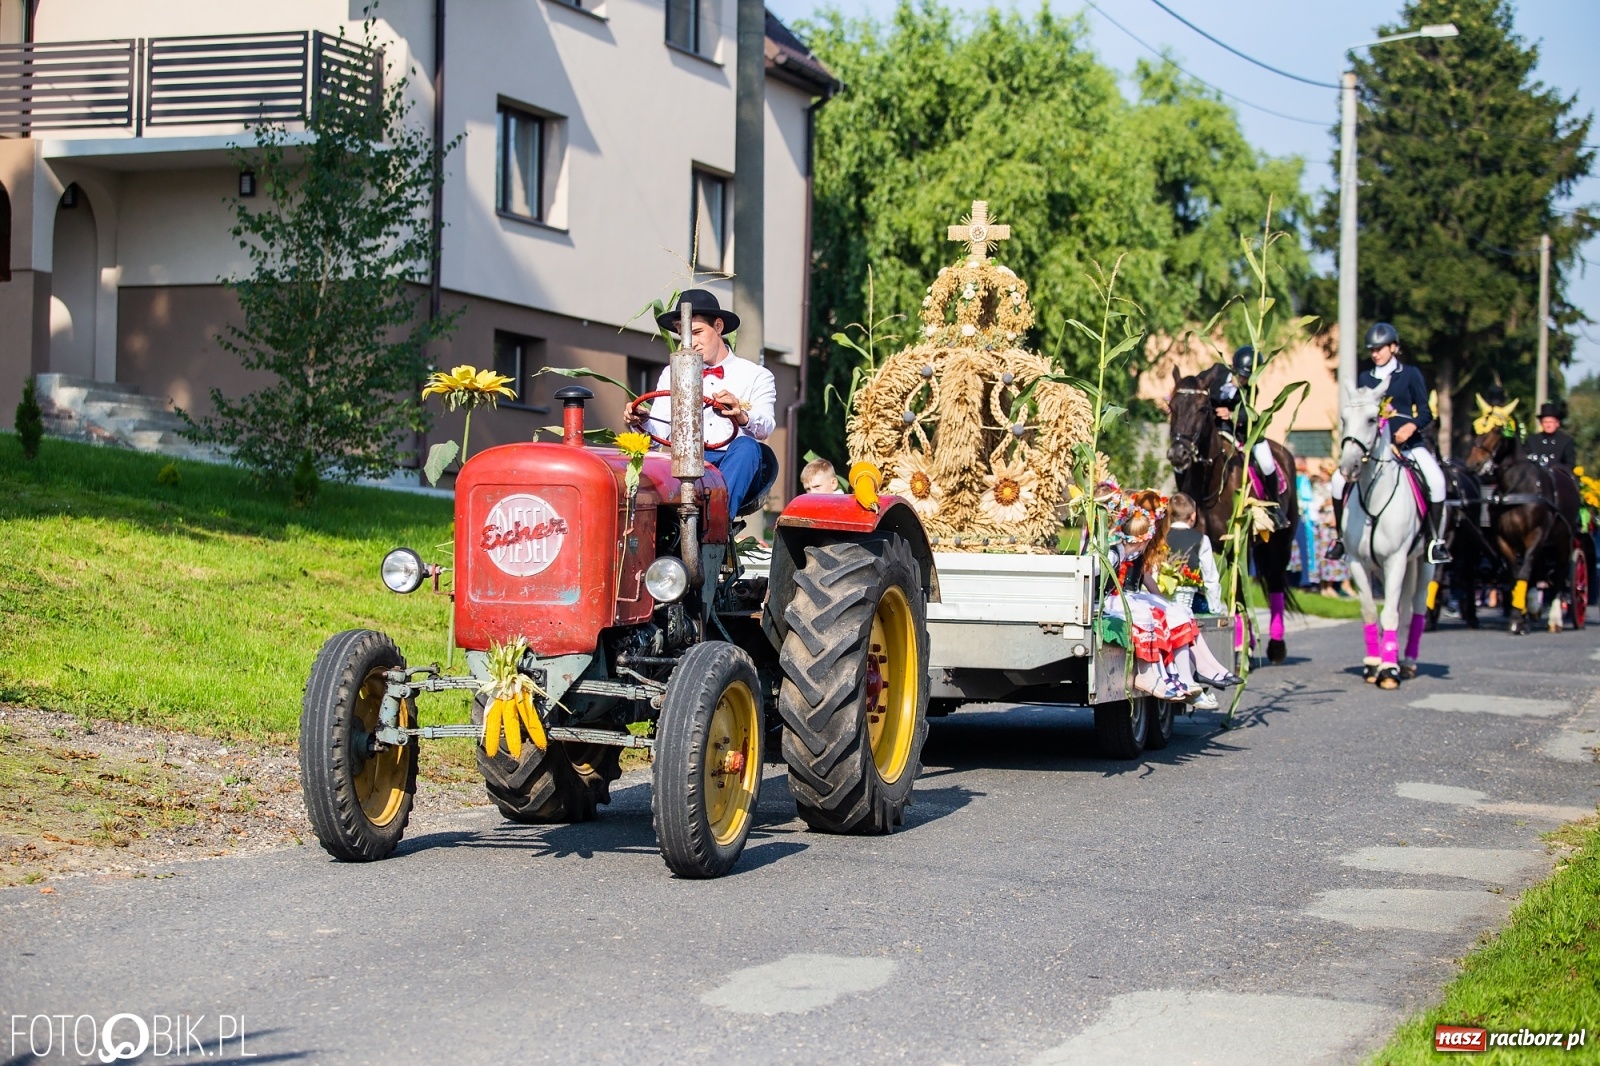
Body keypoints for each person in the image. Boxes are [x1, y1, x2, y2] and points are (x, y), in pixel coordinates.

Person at [631, 288, 778, 518]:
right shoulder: (672, 373)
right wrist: (642, 421)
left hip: (735, 461)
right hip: (689, 463)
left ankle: (714, 524)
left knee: (748, 447)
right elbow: (660, 431)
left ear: (718, 327)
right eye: (684, 336)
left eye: (697, 332)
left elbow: (766, 426)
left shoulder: (755, 375)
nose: (691, 343)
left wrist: (741, 415)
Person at [1327, 322, 1451, 564]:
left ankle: (1435, 541)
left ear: (1394, 347)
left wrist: (1412, 426)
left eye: (1380, 349)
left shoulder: (1410, 374)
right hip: (1374, 449)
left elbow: (1426, 412)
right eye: (1372, 350)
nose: (1375, 354)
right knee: (1336, 481)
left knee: (1436, 480)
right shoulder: (1365, 378)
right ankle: (1341, 539)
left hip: (1408, 444)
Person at [1103, 490, 1242, 703]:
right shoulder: (1116, 550)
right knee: (1150, 615)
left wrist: (1162, 600)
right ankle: (1159, 674)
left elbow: (1145, 575)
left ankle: (1193, 673)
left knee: (1178, 611)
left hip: (1129, 594)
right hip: (1116, 598)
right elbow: (1106, 581)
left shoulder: (1132, 550)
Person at [1211, 345, 1292, 531]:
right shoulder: (1216, 374)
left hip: (1242, 433)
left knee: (1267, 462)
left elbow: (1249, 414)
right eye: (1241, 376)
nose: (1243, 380)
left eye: (1247, 378)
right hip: (1214, 429)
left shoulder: (1252, 390)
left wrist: (1231, 414)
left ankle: (1275, 506)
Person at [1164, 493, 1225, 612]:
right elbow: (1210, 578)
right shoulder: (1202, 539)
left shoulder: (1160, 538)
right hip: (1192, 602)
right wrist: (1215, 608)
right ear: (1193, 516)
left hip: (1165, 600)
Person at [1526, 402, 1577, 470]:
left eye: (1551, 422)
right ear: (1541, 423)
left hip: (1558, 477)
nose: (1548, 425)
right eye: (1545, 422)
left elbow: (1570, 464)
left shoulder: (1565, 441)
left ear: (1557, 423)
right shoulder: (1532, 440)